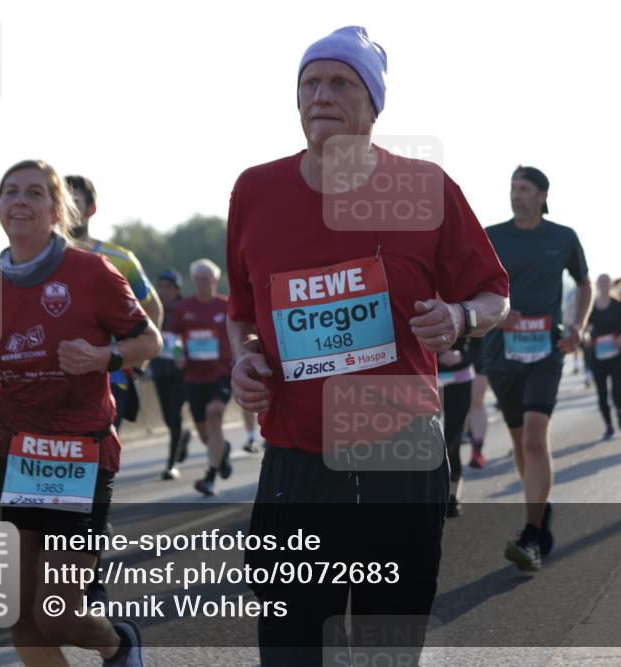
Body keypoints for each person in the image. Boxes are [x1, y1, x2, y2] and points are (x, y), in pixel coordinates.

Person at [227, 26, 509, 665]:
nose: (320, 96)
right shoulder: (255, 190)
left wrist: (460, 316)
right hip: (297, 464)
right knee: (293, 652)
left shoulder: (424, 187)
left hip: (400, 459)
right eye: (309, 83)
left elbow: (495, 293)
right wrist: (245, 358)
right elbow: (241, 312)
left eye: (340, 83)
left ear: (374, 105)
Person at [0, 159, 159, 665]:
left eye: (36, 192)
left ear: (58, 210)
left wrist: (103, 357)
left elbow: (150, 340)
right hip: (14, 452)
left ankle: (119, 644)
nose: (21, 200)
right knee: (20, 614)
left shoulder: (92, 272)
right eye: (11, 191)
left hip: (79, 453)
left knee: (57, 614)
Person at [482, 165, 592, 572]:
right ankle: (540, 512)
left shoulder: (563, 237)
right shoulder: (491, 236)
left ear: (543, 195)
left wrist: (579, 326)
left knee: (533, 437)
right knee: (519, 441)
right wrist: (497, 316)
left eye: (524, 188)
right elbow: (472, 285)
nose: (516, 195)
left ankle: (530, 533)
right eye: (513, 188)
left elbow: (584, 284)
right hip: (501, 352)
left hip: (547, 350)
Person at [65, 174, 163, 431]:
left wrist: (137, 364)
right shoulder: (36, 261)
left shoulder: (120, 260)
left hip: (110, 379)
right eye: (59, 201)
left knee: (96, 455)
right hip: (53, 383)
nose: (65, 208)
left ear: (91, 209)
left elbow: (153, 308)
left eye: (74, 202)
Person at [173, 259, 233, 497]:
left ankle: (209, 477)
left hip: (222, 373)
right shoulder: (184, 308)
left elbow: (240, 332)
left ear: (215, 280)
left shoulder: (226, 306)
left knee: (214, 414)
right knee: (204, 432)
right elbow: (172, 337)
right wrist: (177, 355)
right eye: (197, 279)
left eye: (205, 279)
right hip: (194, 376)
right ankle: (222, 451)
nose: (201, 283)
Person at [151, 269, 192, 479]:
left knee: (175, 414)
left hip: (180, 370)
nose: (163, 291)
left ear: (177, 289)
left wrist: (180, 355)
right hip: (160, 368)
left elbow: (185, 336)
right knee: (167, 416)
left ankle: (171, 463)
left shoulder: (185, 308)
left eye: (167, 287)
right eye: (160, 286)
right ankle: (183, 435)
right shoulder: (153, 307)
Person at [584, 274, 621, 439]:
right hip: (598, 356)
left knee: (617, 391)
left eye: (606, 281)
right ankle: (608, 426)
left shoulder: (618, 304)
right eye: (601, 282)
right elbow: (584, 329)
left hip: (617, 354)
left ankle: (619, 410)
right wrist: (586, 339)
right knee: (602, 393)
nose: (604, 284)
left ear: (610, 285)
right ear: (597, 285)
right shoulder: (590, 307)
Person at [438, 337, 476, 516]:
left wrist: (462, 356)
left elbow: (482, 347)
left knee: (452, 442)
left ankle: (453, 496)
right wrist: (436, 357)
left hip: (460, 381)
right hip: (427, 382)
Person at [466, 336, 488, 468]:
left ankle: (477, 451)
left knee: (476, 401)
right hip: (448, 353)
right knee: (466, 406)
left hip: (479, 349)